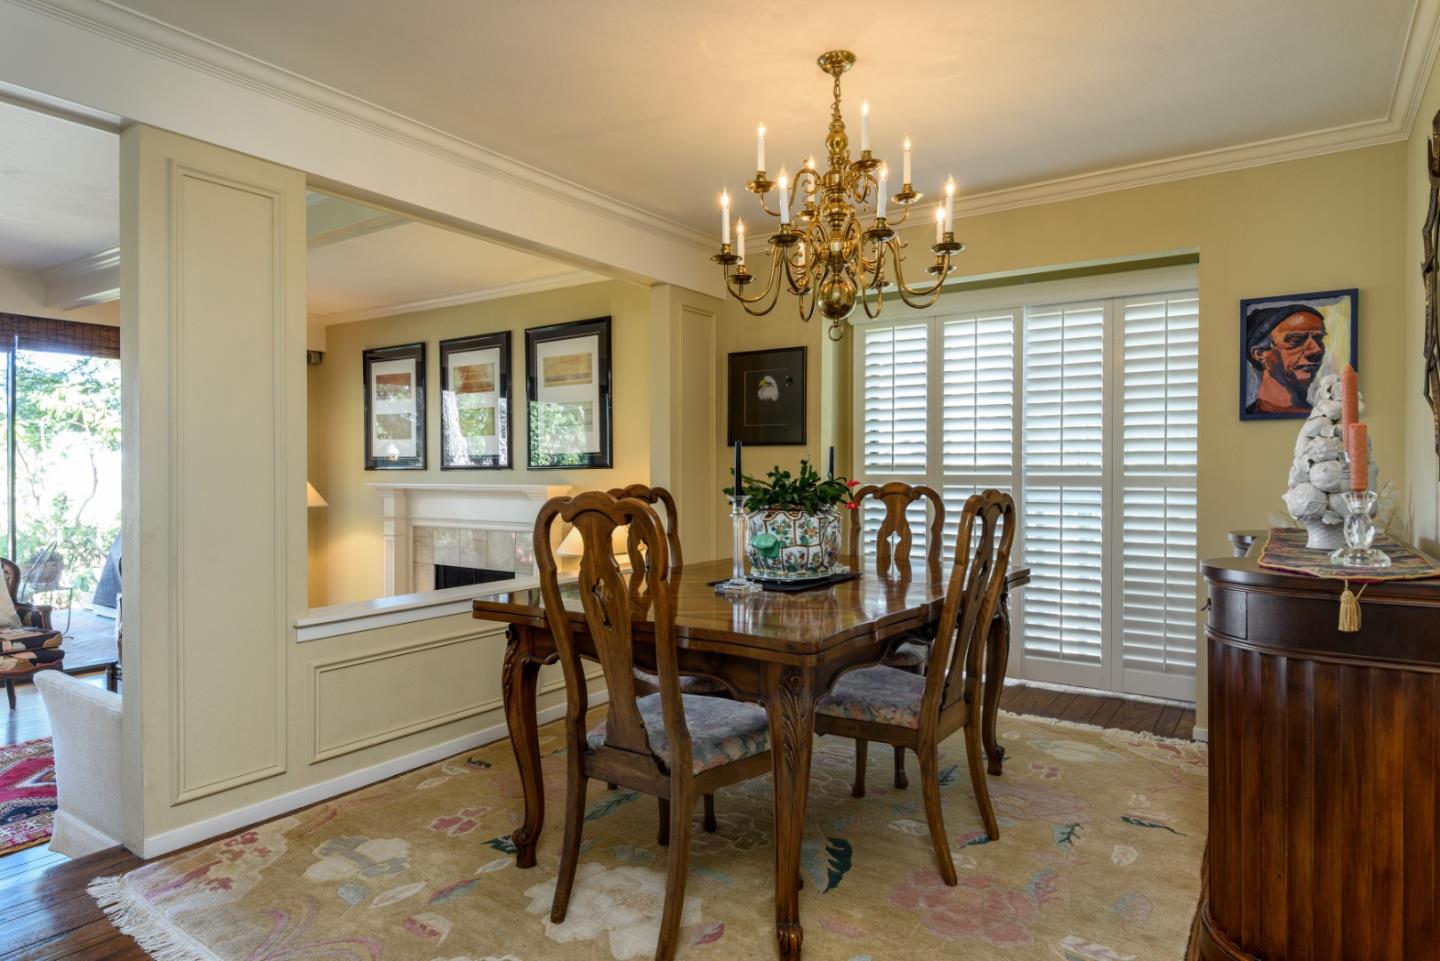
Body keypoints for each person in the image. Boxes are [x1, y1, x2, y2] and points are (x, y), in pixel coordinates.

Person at [1244, 304, 1326, 415]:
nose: (1316, 350)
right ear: (1260, 354)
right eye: (1296, 339)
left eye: (1319, 339)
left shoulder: (1323, 416)